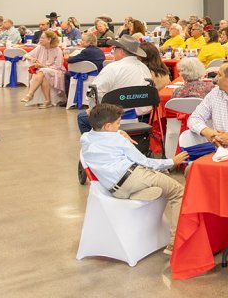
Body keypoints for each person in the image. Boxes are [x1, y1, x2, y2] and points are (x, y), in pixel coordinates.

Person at [80, 103, 187, 252]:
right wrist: (172, 161)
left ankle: (137, 193)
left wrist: (119, 132)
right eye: (118, 123)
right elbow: (145, 162)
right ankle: (175, 243)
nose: (120, 126)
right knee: (179, 192)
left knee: (159, 186)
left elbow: (102, 134)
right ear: (107, 126)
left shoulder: (85, 138)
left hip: (116, 190)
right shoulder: (119, 140)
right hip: (135, 176)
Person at [76, 34, 153, 135]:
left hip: (117, 117)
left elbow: (93, 93)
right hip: (144, 116)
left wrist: (93, 108)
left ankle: (97, 143)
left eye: (114, 48)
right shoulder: (144, 68)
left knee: (82, 118)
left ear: (121, 51)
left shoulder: (112, 68)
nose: (113, 51)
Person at [21, 30, 66, 108]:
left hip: (56, 71)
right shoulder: (40, 47)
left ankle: (30, 94)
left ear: (49, 39)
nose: (40, 40)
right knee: (44, 74)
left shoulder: (57, 50)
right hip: (44, 71)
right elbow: (26, 55)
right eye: (40, 38)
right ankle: (47, 101)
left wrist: (42, 66)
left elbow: (58, 66)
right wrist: (32, 58)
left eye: (42, 38)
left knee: (43, 71)